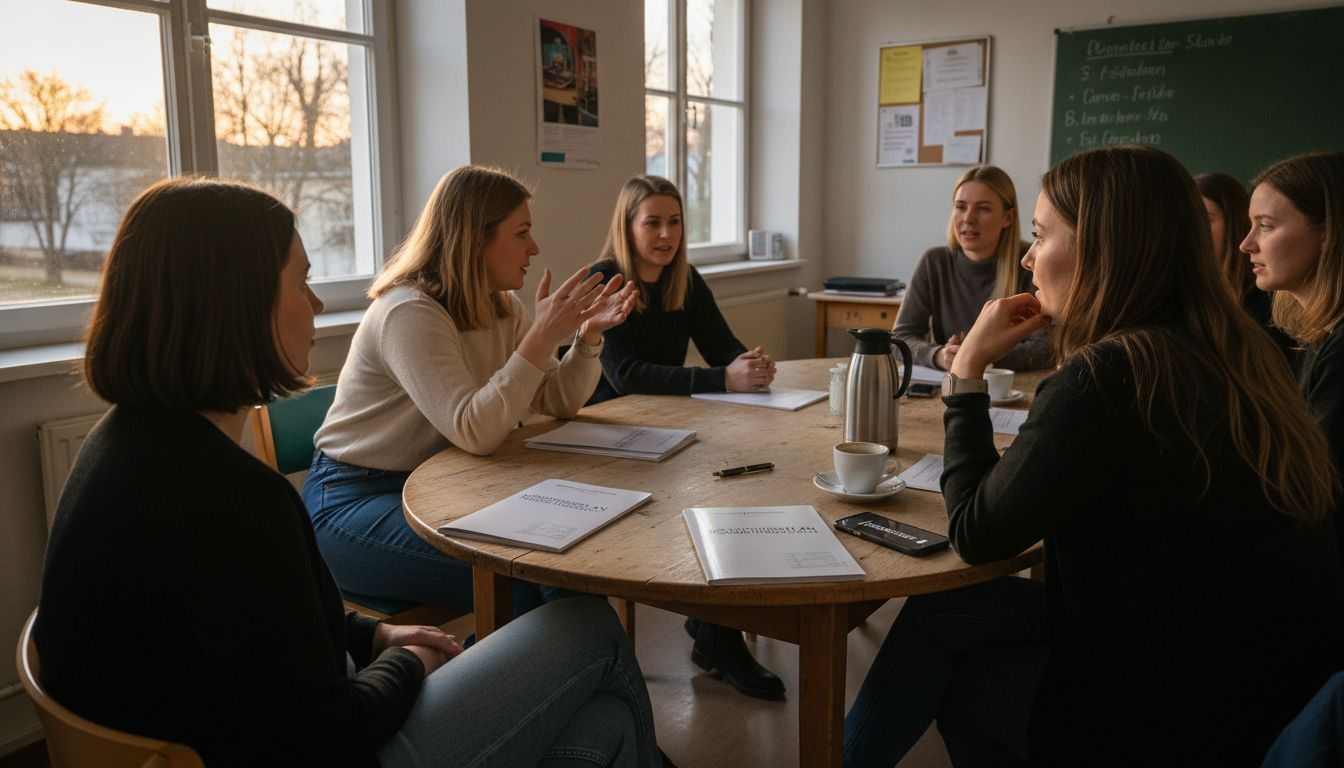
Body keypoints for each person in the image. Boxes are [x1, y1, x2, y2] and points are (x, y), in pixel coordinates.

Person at [35, 177, 662, 767]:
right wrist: (413, 660)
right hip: (327, 746)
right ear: (235, 302)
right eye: (301, 282)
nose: (314, 304)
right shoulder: (231, 498)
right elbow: (331, 730)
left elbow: (254, 622)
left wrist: (372, 637)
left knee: (602, 726)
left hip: (247, 729)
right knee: (583, 623)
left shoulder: (128, 447)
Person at [843, 146, 1344, 767]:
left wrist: (966, 372)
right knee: (941, 613)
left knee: (961, 677)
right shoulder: (1242, 347)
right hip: (1273, 680)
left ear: (1104, 248)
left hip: (1183, 714)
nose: (1026, 260)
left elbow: (976, 532)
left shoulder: (1112, 375)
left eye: (1040, 236)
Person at [303, 165, 638, 612]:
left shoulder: (500, 307)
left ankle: (544, 677)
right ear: (476, 240)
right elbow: (474, 430)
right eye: (521, 233)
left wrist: (588, 336)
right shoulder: (408, 313)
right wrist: (539, 338)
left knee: (561, 560)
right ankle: (484, 676)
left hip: (441, 484)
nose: (533, 248)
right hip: (352, 500)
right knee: (525, 584)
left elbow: (557, 400)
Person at [586, 174, 784, 701]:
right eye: (652, 222)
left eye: (674, 222)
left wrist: (750, 363)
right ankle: (715, 633)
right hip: (603, 437)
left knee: (739, 483)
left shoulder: (684, 279)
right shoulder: (603, 280)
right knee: (711, 493)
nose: (666, 234)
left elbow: (721, 345)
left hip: (661, 431)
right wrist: (723, 379)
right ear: (627, 228)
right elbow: (626, 374)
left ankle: (713, 629)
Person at [1241, 150, 1344, 558]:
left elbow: (1305, 494)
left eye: (1265, 226)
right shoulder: (1317, 336)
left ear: (1330, 234)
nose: (1245, 244)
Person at [892, 165, 1051, 372]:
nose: (968, 218)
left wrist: (974, 355)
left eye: (983, 208)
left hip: (1011, 388)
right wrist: (940, 355)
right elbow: (900, 339)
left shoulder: (1031, 262)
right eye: (960, 207)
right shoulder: (935, 262)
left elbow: (1047, 348)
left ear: (1008, 217)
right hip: (951, 384)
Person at [1195, 171, 1292, 355]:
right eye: (1190, 220)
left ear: (1235, 222)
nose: (1193, 229)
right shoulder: (1190, 293)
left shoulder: (1268, 299)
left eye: (1205, 219)